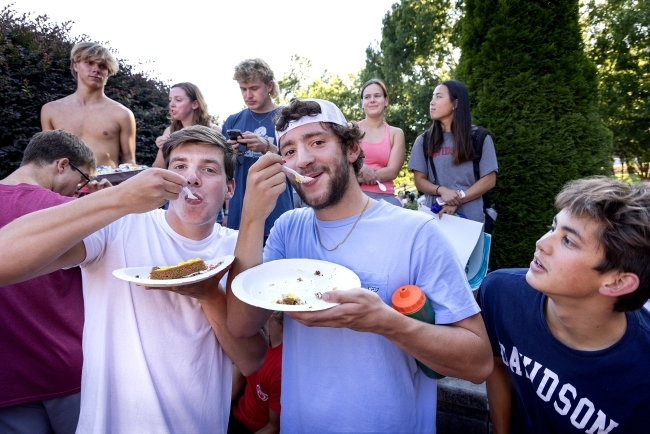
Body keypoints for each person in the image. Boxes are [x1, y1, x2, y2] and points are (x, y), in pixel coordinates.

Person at [226, 98, 493, 433]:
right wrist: (252, 217)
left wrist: (388, 323)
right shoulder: (287, 229)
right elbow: (240, 324)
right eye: (289, 150)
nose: (303, 159)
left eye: (317, 142)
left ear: (351, 149)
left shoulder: (416, 233)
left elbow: (479, 363)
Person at [0, 126, 267, 433]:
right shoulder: (119, 227)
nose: (191, 178)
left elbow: (252, 360)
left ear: (230, 187)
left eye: (208, 169)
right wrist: (121, 198)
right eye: (180, 166)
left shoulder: (239, 247)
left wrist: (209, 295)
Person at [478, 177, 650, 433]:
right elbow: (497, 366)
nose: (541, 243)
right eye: (553, 227)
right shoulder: (501, 294)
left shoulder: (642, 373)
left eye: (569, 241)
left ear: (617, 283)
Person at [0, 130, 103, 434]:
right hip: (69, 370)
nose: (79, 188)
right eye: (82, 178)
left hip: (8, 376)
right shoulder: (67, 212)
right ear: (62, 165)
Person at [221, 58, 293, 236]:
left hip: (278, 210)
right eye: (243, 89)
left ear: (269, 86)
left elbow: (298, 164)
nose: (248, 95)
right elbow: (222, 172)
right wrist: (230, 153)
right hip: (240, 211)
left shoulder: (288, 118)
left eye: (254, 88)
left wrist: (267, 146)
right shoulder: (232, 121)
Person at [408, 80, 497, 222]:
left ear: (455, 103)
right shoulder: (424, 141)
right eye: (433, 97)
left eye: (439, 97)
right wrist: (442, 191)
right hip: (434, 220)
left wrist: (458, 199)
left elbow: (489, 180)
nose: (432, 102)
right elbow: (419, 181)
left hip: (471, 223)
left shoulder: (479, 138)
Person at [41, 42, 136, 168]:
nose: (96, 69)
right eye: (89, 63)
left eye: (102, 66)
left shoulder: (122, 114)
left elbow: (129, 161)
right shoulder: (51, 110)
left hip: (107, 185)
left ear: (108, 72)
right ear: (75, 66)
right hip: (62, 185)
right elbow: (47, 159)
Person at [229, 311, 283, 434]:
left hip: (253, 429)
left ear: (271, 314)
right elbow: (239, 377)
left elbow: (274, 426)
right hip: (236, 413)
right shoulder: (261, 339)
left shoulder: (280, 369)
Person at [356, 78, 405, 206]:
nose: (372, 100)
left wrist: (360, 174)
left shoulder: (396, 133)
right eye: (367, 97)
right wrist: (361, 169)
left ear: (386, 100)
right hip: (355, 197)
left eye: (377, 96)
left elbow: (392, 171)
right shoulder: (352, 129)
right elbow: (341, 164)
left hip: (386, 198)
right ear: (362, 103)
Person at [152, 82, 223, 168]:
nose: (171, 104)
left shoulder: (214, 131)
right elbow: (157, 168)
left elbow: (221, 167)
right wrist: (163, 148)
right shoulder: (170, 131)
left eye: (178, 100)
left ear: (195, 104)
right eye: (170, 100)